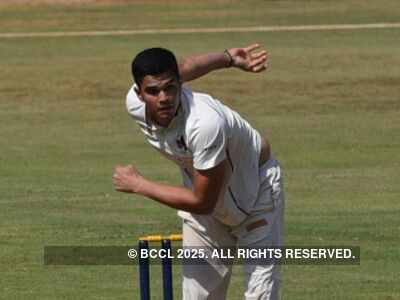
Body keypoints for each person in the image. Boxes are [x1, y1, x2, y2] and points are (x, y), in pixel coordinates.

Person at [113, 44, 285, 300]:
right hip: (207, 200)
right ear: (139, 94)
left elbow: (202, 202)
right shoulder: (135, 106)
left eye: (170, 87)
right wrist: (228, 58)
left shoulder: (204, 124)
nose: (163, 98)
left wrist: (139, 184)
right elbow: (187, 66)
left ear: (179, 84)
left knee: (261, 295)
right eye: (153, 91)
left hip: (257, 194)